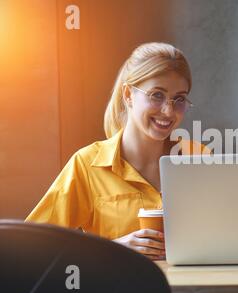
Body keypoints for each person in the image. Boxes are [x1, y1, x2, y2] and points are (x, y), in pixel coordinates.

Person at [26, 42, 206, 260]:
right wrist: (113, 249)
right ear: (128, 94)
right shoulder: (87, 165)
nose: (168, 111)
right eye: (157, 95)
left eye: (179, 99)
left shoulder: (199, 157)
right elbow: (32, 247)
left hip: (192, 292)